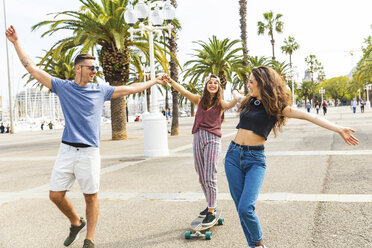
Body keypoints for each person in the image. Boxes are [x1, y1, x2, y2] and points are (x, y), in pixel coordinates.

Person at [6, 25, 166, 248]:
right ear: (78, 69)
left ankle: (89, 239)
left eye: (96, 68)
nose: (95, 72)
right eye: (91, 68)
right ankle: (75, 221)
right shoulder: (62, 87)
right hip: (67, 150)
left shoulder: (101, 90)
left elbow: (130, 88)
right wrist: (15, 43)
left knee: (90, 196)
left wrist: (154, 81)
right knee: (55, 196)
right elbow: (32, 68)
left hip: (89, 152)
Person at [229, 66, 359, 248]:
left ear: (262, 82)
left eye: (251, 81)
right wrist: (235, 91)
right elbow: (237, 96)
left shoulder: (276, 108)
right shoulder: (249, 101)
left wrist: (337, 128)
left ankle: (259, 245)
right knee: (240, 209)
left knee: (245, 208)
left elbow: (307, 116)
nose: (249, 84)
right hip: (233, 156)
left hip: (255, 159)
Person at [164, 73, 237, 225]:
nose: (212, 85)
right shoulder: (199, 100)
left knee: (210, 174)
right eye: (210, 82)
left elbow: (231, 105)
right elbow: (183, 91)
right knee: (201, 174)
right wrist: (170, 81)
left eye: (215, 83)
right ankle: (209, 203)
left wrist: (238, 96)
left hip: (213, 139)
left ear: (219, 87)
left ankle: (212, 209)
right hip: (198, 137)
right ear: (206, 86)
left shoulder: (221, 104)